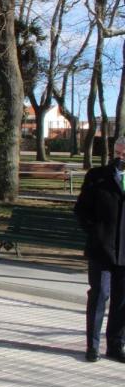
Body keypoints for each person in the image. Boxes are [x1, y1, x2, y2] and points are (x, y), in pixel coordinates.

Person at [74, 137, 125, 363]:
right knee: (99, 295)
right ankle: (92, 346)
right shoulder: (97, 176)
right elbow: (81, 211)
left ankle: (115, 345)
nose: (122, 157)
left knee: (122, 300)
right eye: (120, 152)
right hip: (101, 249)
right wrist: (96, 232)